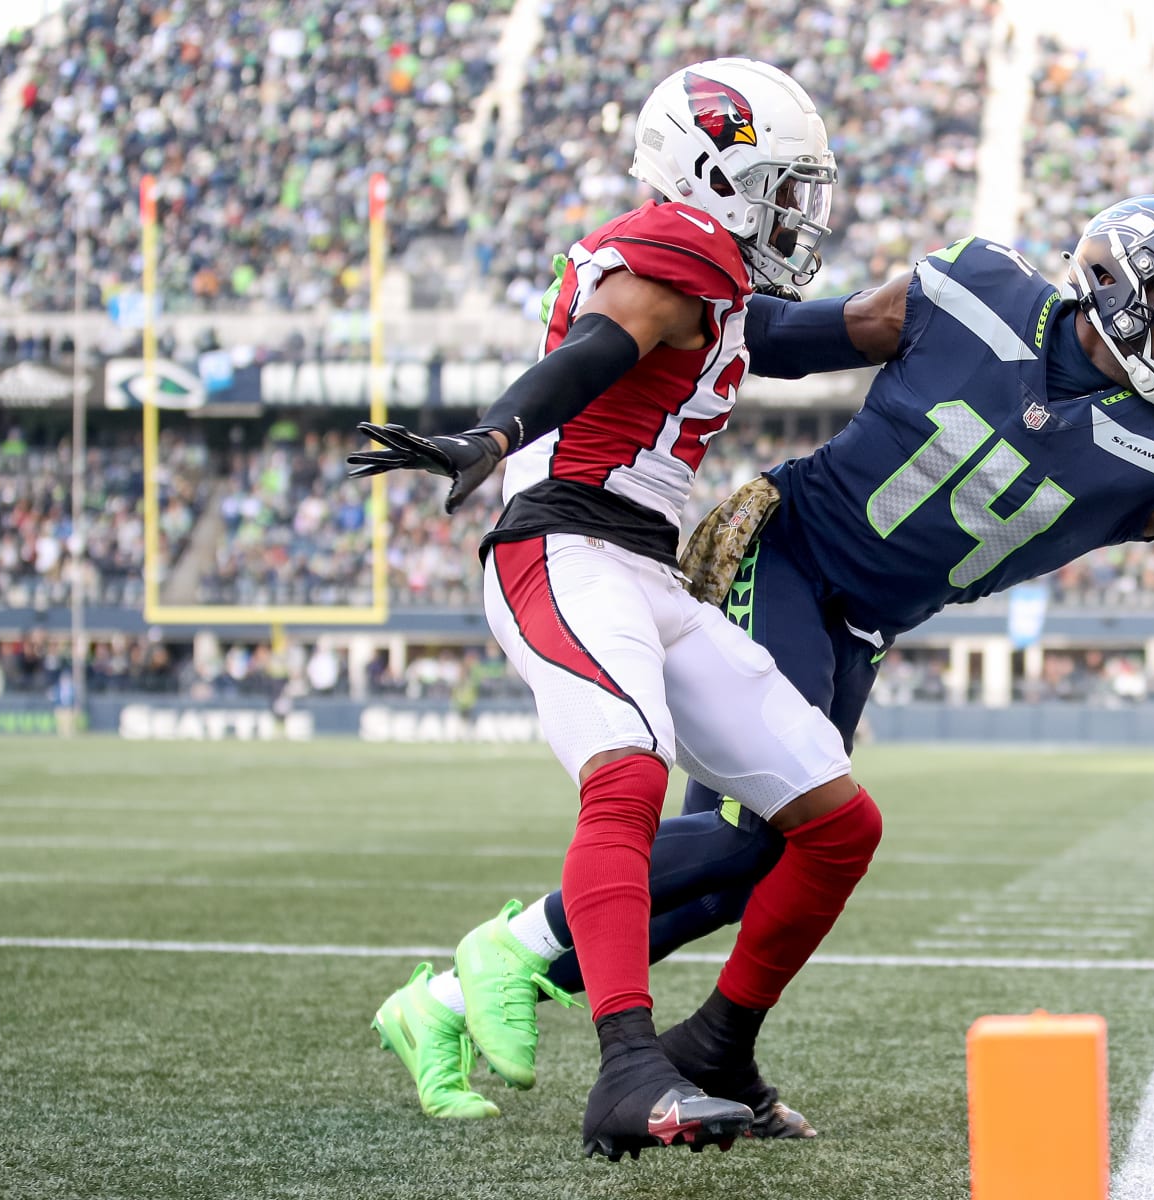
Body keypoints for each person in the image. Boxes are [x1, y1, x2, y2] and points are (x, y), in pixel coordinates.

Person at [441, 194, 1154, 1123]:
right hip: (789, 555)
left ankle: (674, 1035)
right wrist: (608, 313)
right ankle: (540, 971)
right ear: (1110, 276)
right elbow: (773, 337)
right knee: (760, 836)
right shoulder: (972, 289)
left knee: (768, 858)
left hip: (868, 628)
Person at [350, 60, 884, 1162]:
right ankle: (629, 1070)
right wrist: (490, 437)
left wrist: (972, 307)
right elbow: (599, 349)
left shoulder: (726, 285)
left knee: (836, 825)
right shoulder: (676, 246)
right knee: (630, 777)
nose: (801, 211)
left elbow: (838, 330)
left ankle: (714, 1046)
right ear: (712, 172)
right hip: (562, 543)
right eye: (783, 186)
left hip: (640, 564)